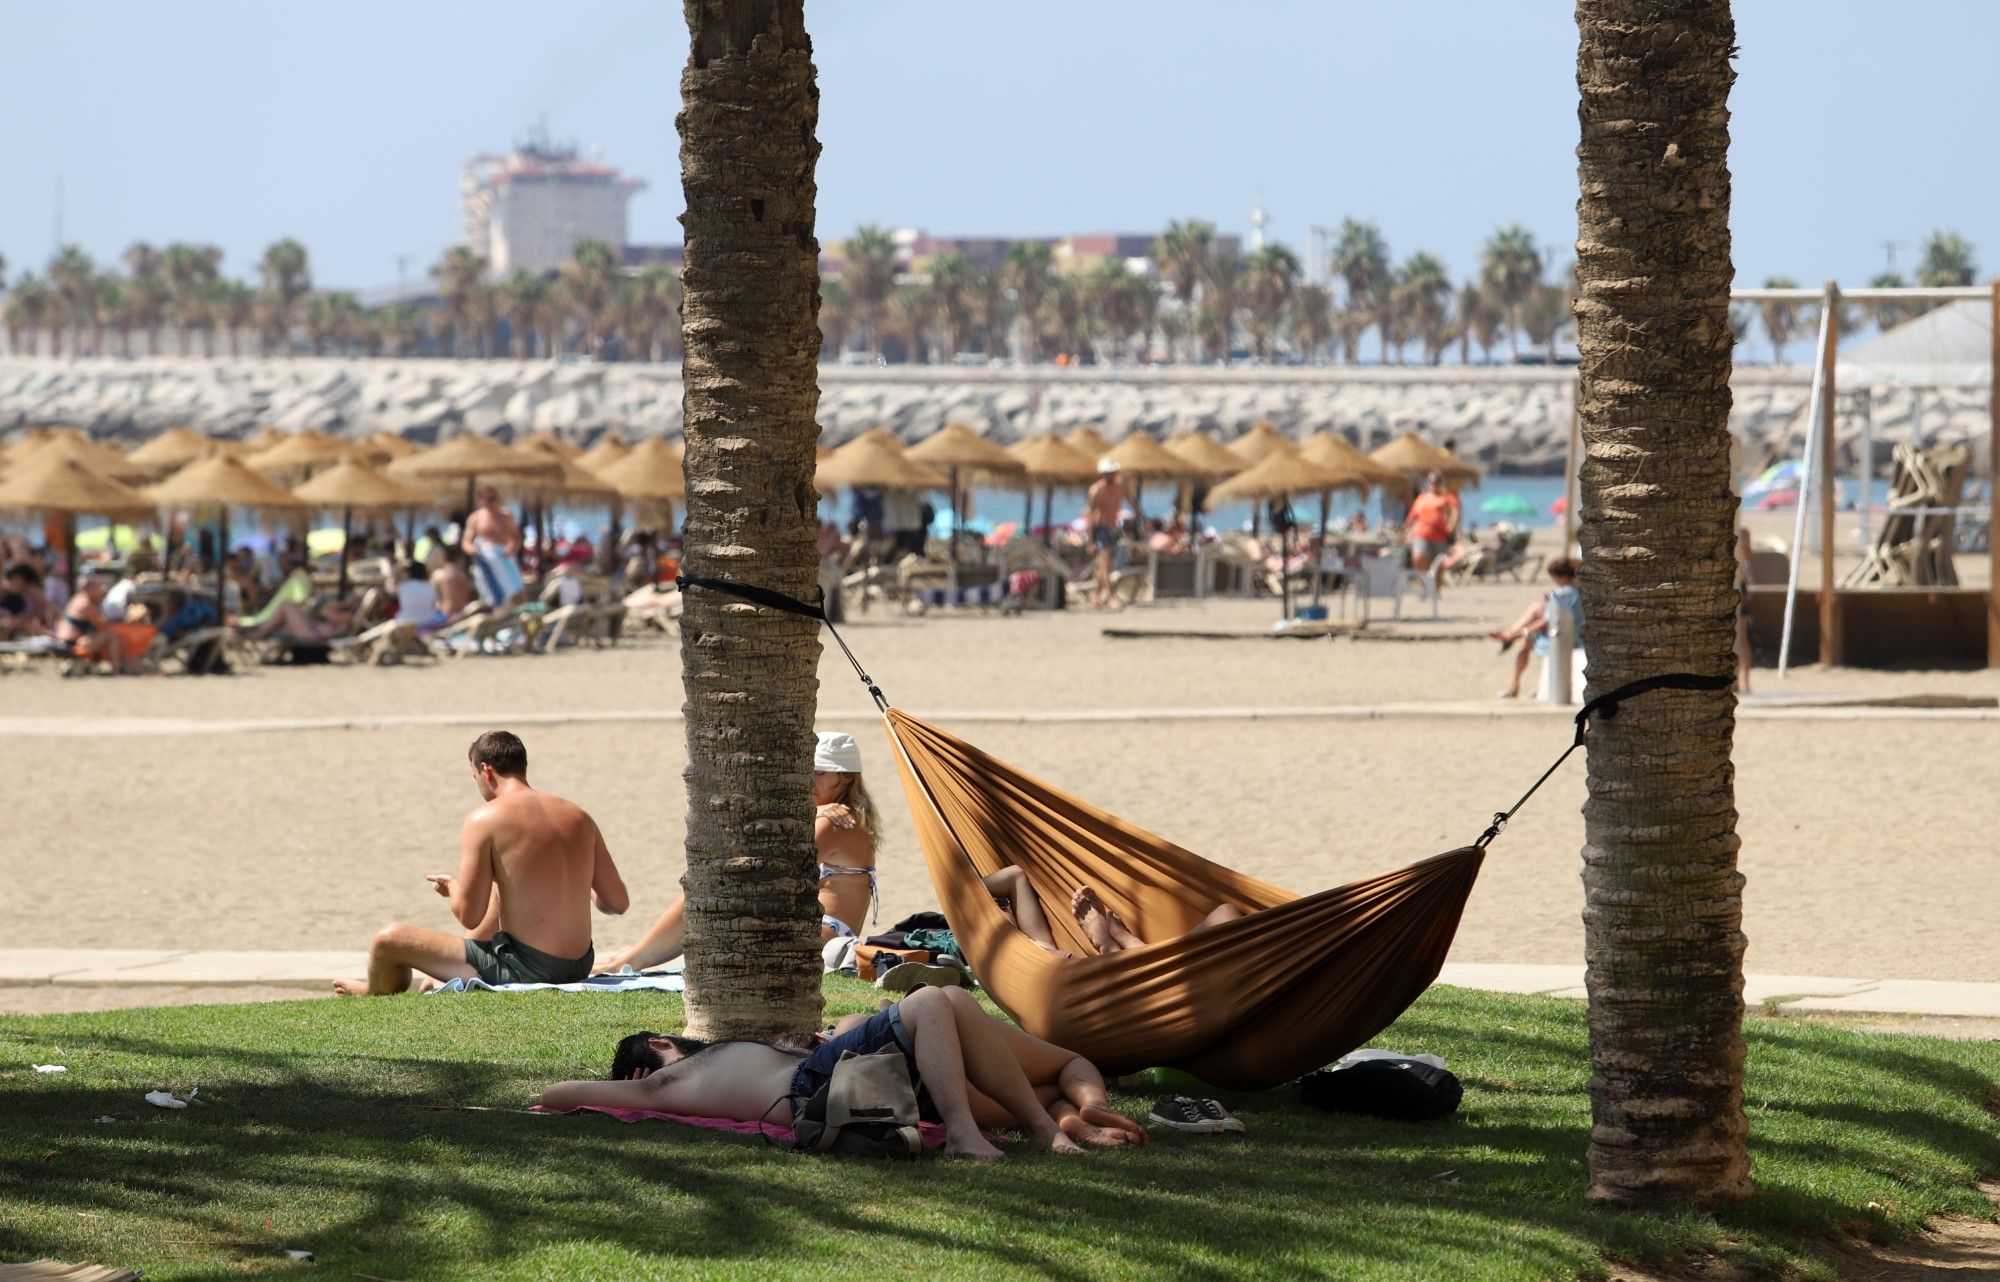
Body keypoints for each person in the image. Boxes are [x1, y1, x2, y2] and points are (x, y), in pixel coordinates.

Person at [539, 985, 1147, 1160]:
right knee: (934, 1000)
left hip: (848, 1084)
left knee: (951, 1003)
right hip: (816, 1096)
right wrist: (639, 1087)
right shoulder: (669, 1080)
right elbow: (558, 1093)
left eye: (653, 1063)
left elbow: (1074, 1062)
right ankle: (971, 1132)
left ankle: (1062, 1122)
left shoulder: (708, 1063)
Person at [334, 730, 630, 996]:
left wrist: (453, 889)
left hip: (526, 971)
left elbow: (470, 915)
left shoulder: (485, 819)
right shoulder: (578, 815)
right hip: (579, 966)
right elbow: (616, 902)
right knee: (500, 886)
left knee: (388, 940)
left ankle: (371, 990)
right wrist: (580, 884)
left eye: (474, 777)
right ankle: (448, 974)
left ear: (486, 771)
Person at [594, 731, 880, 973]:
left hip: (822, 936)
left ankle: (631, 960)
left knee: (708, 889)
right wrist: (813, 809)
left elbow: (776, 862)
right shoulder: (845, 814)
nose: (809, 782)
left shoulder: (833, 821)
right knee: (711, 892)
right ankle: (633, 958)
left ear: (846, 778)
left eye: (819, 773)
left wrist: (814, 812)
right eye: (806, 772)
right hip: (827, 932)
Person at [1489, 557, 1582, 700]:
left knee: (1526, 639)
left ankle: (1513, 684)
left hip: (1565, 637)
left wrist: (1523, 632)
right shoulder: (1577, 589)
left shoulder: (1563, 594)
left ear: (1560, 577)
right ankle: (1510, 635)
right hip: (1577, 633)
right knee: (1537, 608)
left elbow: (1546, 622)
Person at [54, 576, 154, 675]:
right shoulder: (86, 604)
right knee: (112, 635)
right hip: (71, 644)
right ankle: (118, 670)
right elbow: (103, 625)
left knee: (110, 637)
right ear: (91, 588)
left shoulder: (77, 598)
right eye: (98, 588)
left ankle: (127, 667)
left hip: (66, 641)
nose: (101, 591)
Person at [461, 486, 527, 606]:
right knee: (490, 595)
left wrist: (510, 549)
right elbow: (466, 542)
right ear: (480, 498)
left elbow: (516, 537)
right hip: (485, 558)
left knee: (517, 592)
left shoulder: (506, 515)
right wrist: (474, 551)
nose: (489, 500)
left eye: (492, 498)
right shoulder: (475, 518)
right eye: (486, 498)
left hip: (504, 557)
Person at [1084, 458, 1126, 609]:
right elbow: (1090, 515)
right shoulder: (1096, 491)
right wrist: (1089, 540)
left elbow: (1130, 500)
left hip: (1113, 528)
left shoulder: (1119, 487)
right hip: (1100, 529)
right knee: (1106, 562)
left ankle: (1095, 594)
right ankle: (1112, 597)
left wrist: (1142, 517)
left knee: (1105, 564)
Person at [1403, 471, 1460, 578]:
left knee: (1439, 566)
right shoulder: (1422, 498)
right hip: (1422, 535)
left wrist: (1451, 527)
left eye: (1437, 481)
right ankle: (1424, 586)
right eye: (1431, 481)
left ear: (1441, 482)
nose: (1434, 483)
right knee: (1418, 559)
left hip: (1440, 536)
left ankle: (1435, 591)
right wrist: (1405, 531)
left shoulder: (1446, 497)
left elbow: (1455, 511)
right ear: (1428, 482)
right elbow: (1412, 516)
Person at [431, 546, 479, 621]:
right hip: (464, 613)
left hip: (447, 616)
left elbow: (433, 601)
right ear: (459, 558)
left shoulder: (438, 575)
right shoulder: (463, 574)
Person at [1734, 527, 1755, 695]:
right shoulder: (1741, 533)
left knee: (1741, 637)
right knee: (1741, 637)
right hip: (1739, 584)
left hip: (1739, 585)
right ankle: (1743, 681)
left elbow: (1747, 553)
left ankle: (1744, 681)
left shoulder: (1740, 533)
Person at [395, 559, 444, 631]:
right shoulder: (431, 586)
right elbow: (437, 605)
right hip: (429, 622)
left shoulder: (402, 587)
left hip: (406, 623)